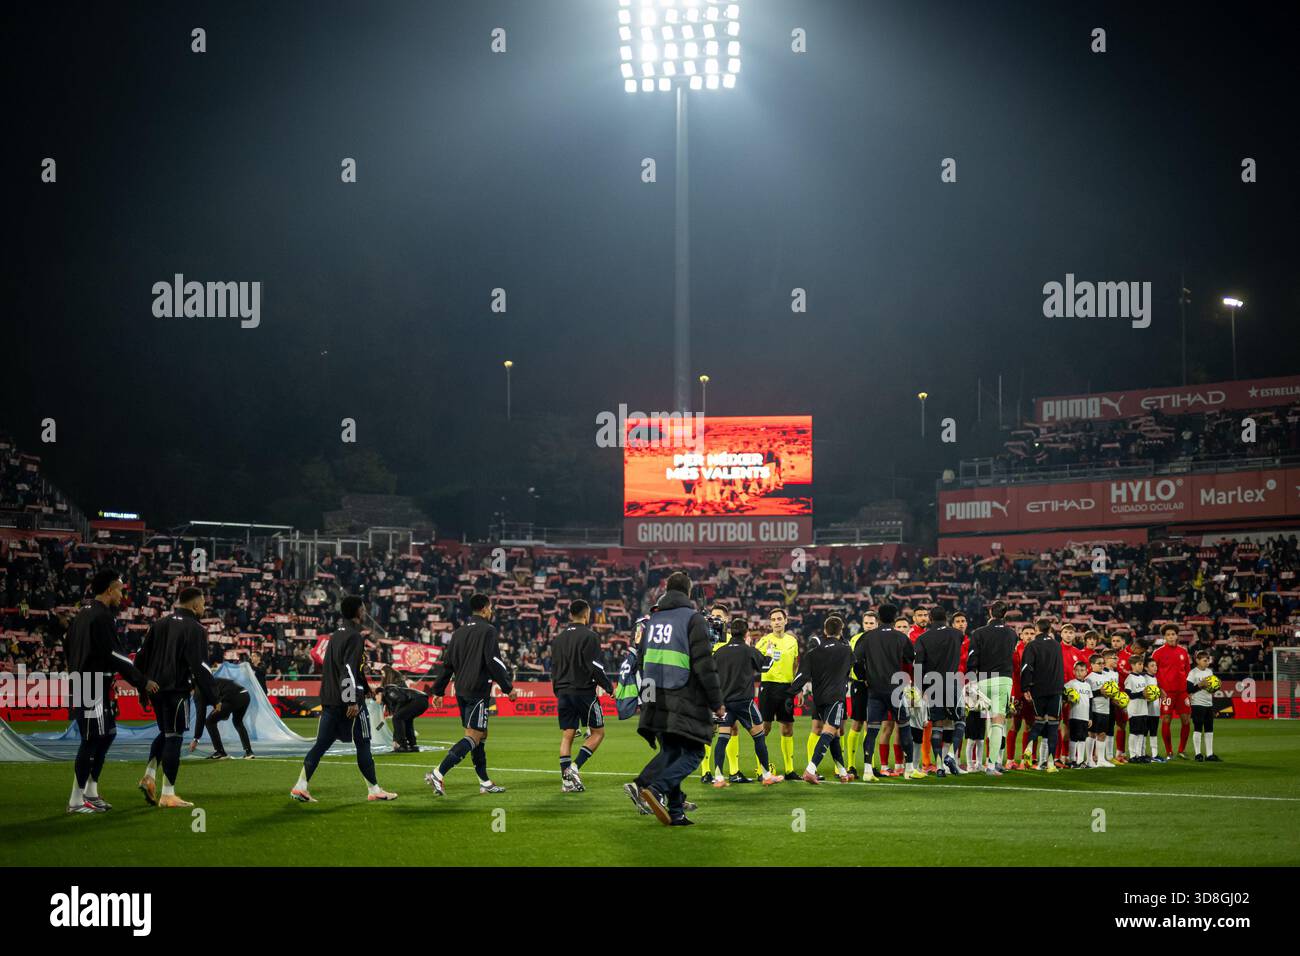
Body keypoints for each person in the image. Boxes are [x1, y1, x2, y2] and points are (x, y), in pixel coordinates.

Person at [629, 571, 723, 826]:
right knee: (694, 753)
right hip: (683, 697)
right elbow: (705, 666)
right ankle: (653, 788)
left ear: (667, 590)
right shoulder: (692, 619)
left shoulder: (653, 620)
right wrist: (717, 704)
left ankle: (676, 811)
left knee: (671, 752)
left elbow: (642, 660)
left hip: (655, 697)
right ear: (689, 593)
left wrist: (647, 701)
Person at [64, 568, 157, 813]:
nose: (121, 595)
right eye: (119, 590)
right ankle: (75, 800)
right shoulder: (101, 616)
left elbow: (68, 645)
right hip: (91, 682)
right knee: (92, 738)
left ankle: (91, 791)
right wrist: (141, 681)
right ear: (109, 589)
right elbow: (115, 655)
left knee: (107, 734)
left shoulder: (83, 613)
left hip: (87, 681)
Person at [290, 595, 397, 803]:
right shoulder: (355, 637)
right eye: (363, 608)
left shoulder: (336, 635)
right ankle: (374, 789)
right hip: (348, 701)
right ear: (358, 611)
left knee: (321, 744)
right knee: (363, 742)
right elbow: (348, 669)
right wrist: (352, 700)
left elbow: (346, 668)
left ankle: (300, 786)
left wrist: (366, 688)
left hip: (330, 698)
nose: (365, 612)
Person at [134, 588, 221, 808]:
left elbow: (141, 657)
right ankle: (168, 794)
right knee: (174, 737)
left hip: (154, 689)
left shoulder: (159, 624)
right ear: (194, 605)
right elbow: (200, 666)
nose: (203, 608)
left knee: (165, 733)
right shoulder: (195, 629)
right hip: (176, 690)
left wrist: (141, 687)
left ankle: (149, 776)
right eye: (202, 604)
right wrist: (213, 696)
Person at [426, 593, 517, 796]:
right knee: (474, 736)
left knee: (481, 734)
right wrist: (508, 687)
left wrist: (438, 691)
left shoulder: (458, 632)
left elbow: (447, 664)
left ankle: (484, 781)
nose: (491, 611)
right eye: (491, 608)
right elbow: (493, 661)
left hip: (461, 690)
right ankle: (438, 773)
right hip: (477, 690)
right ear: (485, 608)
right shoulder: (488, 631)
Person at [852, 602, 923, 781]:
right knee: (904, 727)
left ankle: (868, 770)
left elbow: (856, 660)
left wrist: (864, 677)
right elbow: (910, 658)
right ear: (894, 617)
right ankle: (908, 769)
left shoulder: (868, 637)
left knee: (873, 730)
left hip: (874, 689)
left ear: (878, 617)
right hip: (895, 690)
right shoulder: (900, 637)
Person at [551, 599, 614, 793]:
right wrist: (608, 687)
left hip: (563, 691)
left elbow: (554, 668)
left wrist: (557, 690)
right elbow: (595, 667)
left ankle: (566, 783)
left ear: (570, 614)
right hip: (584, 692)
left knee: (567, 735)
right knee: (598, 733)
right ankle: (575, 768)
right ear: (586, 615)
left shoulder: (558, 639)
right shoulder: (590, 636)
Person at [710, 617, 782, 787]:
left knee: (722, 739)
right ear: (746, 633)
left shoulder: (719, 652)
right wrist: (770, 652)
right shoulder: (748, 650)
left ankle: (719, 777)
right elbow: (765, 666)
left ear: (730, 633)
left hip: (724, 703)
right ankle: (766, 775)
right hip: (744, 702)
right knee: (759, 737)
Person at [787, 615, 854, 784]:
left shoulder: (813, 652)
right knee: (829, 732)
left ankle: (843, 772)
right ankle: (810, 770)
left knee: (834, 734)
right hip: (836, 697)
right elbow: (854, 671)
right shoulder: (846, 649)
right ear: (841, 630)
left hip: (819, 698)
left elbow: (801, 675)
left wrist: (791, 693)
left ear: (825, 631)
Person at [966, 599, 1017, 775]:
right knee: (997, 723)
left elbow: (972, 659)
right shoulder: (1012, 634)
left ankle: (967, 761)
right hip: (1003, 681)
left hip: (983, 681)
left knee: (979, 720)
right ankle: (991, 765)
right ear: (1005, 614)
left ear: (990, 613)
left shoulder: (979, 633)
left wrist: (971, 682)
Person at [913, 605, 964, 776]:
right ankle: (950, 755)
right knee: (959, 721)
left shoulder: (923, 638)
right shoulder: (957, 634)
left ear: (931, 619)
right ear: (946, 618)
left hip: (933, 684)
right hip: (952, 681)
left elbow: (918, 666)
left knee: (938, 724)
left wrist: (920, 689)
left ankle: (940, 766)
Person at [755, 607, 799, 780]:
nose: (777, 622)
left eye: (779, 619)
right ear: (770, 623)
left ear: (786, 620)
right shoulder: (764, 641)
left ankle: (790, 770)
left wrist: (796, 686)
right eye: (773, 619)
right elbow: (756, 662)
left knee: (787, 727)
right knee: (764, 728)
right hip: (768, 687)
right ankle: (761, 769)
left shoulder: (792, 641)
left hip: (786, 688)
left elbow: (795, 664)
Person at [1019, 617, 1064, 773]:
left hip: (1038, 689)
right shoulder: (1057, 645)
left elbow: (1026, 668)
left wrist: (1025, 688)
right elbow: (1060, 668)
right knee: (1053, 725)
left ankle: (1030, 745)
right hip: (1055, 689)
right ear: (1049, 630)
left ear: (1037, 630)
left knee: (1038, 721)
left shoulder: (1032, 645)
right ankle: (1050, 763)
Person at [191, 672, 254, 759]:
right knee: (237, 722)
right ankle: (249, 752)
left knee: (209, 722)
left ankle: (220, 752)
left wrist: (196, 739)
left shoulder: (198, 693)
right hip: (245, 694)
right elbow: (218, 697)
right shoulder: (207, 683)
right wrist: (223, 712)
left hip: (232, 696)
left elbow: (200, 716)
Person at [1152, 624, 1192, 759]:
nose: (1171, 637)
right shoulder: (1158, 653)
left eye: (1173, 634)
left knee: (1186, 720)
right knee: (1166, 719)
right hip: (1166, 692)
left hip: (1182, 692)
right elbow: (1153, 672)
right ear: (1164, 637)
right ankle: (1169, 752)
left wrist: (1188, 691)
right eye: (1168, 634)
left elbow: (1187, 672)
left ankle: (1182, 750)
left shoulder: (1183, 652)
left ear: (1177, 635)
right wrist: (1159, 688)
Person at [845, 609, 877, 779]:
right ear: (862, 624)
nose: (869, 626)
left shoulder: (880, 638)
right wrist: (865, 678)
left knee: (872, 724)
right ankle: (850, 765)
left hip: (877, 686)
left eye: (872, 623)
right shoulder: (855, 639)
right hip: (860, 685)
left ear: (877, 624)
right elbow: (854, 661)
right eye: (866, 623)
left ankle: (869, 764)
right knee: (857, 723)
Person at [1006, 623, 1037, 770]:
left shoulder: (1038, 650)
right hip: (1017, 693)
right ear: (1021, 636)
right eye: (1027, 633)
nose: (1029, 636)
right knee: (1015, 725)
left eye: (1032, 633)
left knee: (1031, 726)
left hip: (1032, 694)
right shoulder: (1015, 651)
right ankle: (1010, 760)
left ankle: (1026, 760)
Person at [379, 667, 429, 753]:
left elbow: (401, 699)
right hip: (422, 700)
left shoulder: (388, 689)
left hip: (417, 700)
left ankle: (402, 745)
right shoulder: (396, 683)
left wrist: (396, 740)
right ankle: (413, 745)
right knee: (406, 720)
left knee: (397, 718)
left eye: (383, 674)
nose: (382, 676)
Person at [1187, 651, 1221, 762]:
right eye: (1204, 660)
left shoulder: (1209, 672)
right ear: (1197, 660)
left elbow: (1212, 688)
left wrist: (1216, 686)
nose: (1207, 663)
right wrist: (1200, 685)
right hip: (1197, 704)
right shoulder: (1193, 673)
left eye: (1208, 660)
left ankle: (1210, 754)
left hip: (1208, 703)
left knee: (1209, 729)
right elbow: (1189, 689)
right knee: (1198, 728)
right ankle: (1198, 754)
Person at [1084, 653, 1115, 767]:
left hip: (1106, 709)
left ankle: (1101, 759)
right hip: (1095, 709)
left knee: (1102, 734)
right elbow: (1088, 695)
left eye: (1103, 663)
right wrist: (1099, 692)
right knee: (1091, 734)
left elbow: (1111, 692)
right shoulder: (1089, 678)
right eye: (1099, 663)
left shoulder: (1107, 676)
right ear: (1092, 664)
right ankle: (1089, 759)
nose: (1102, 665)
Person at [1063, 660, 1093, 768]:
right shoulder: (1070, 684)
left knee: (1083, 738)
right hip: (1074, 715)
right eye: (1077, 670)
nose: (1080, 673)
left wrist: (1090, 717)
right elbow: (1063, 695)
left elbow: (1090, 702)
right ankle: (1072, 760)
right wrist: (1067, 698)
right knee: (1074, 737)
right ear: (1074, 672)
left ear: (1086, 672)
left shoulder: (1088, 686)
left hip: (1085, 717)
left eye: (1082, 670)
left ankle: (1080, 761)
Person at [1122, 654, 1151, 763]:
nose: (1141, 666)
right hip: (1134, 710)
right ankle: (1133, 755)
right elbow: (1128, 694)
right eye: (1139, 664)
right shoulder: (1130, 678)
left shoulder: (1143, 678)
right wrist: (1141, 693)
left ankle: (1139, 754)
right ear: (1132, 665)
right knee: (1134, 732)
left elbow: (1145, 693)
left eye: (1142, 664)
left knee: (1142, 732)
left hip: (1143, 708)